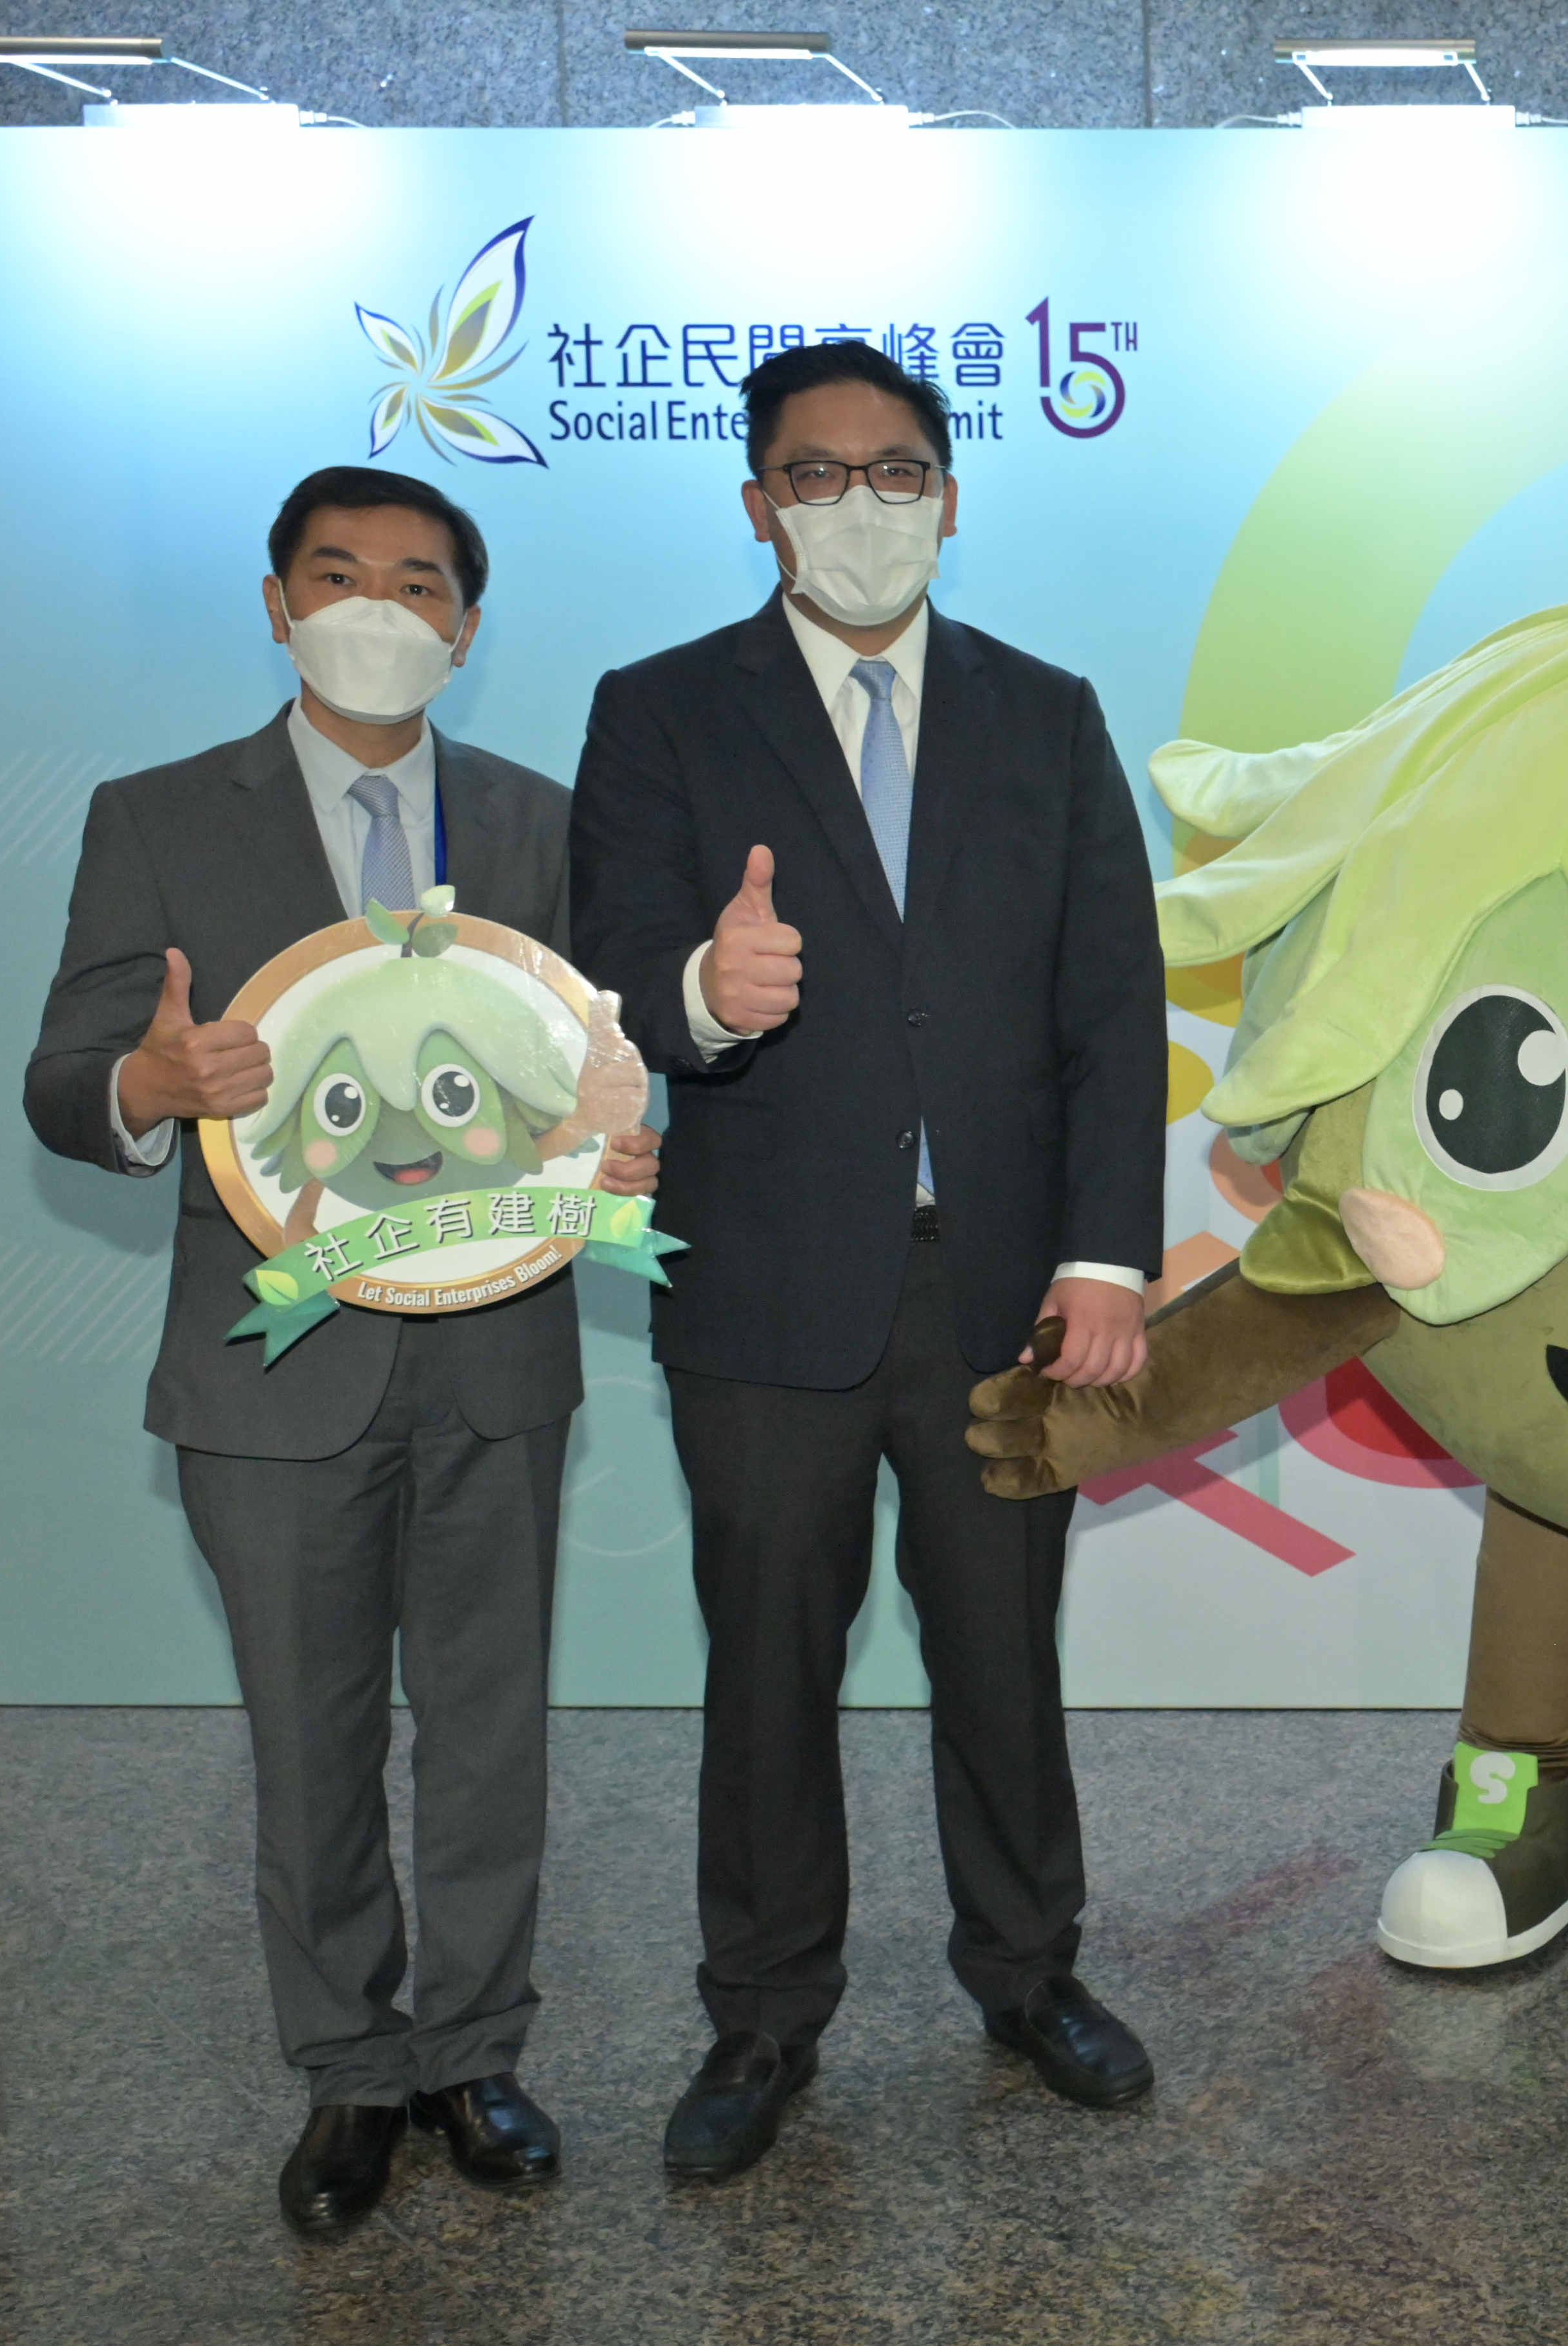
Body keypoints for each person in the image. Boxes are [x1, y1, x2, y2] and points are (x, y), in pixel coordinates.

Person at [23, 467, 661, 2236]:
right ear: (278, 602)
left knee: (488, 1728)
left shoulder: (541, 820)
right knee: (308, 1742)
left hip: (497, 1355)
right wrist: (148, 1081)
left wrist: (621, 1144)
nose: (378, 607)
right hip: (267, 1369)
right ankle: (352, 2072)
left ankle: (475, 2050)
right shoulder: (157, 816)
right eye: (339, 573)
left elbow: (596, 1067)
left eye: (418, 582)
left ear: (466, 624)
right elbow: (65, 1080)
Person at [570, 339, 1167, 2180]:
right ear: (760, 504)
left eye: (895, 468)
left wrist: (1104, 1255)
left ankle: (1028, 1971)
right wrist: (700, 992)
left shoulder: (1045, 712)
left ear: (950, 496)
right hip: (763, 1286)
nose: (860, 501)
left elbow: (1110, 1004)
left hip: (1000, 1287)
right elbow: (605, 982)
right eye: (816, 473)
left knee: (1002, 1650)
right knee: (767, 1664)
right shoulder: (663, 708)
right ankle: (761, 2013)